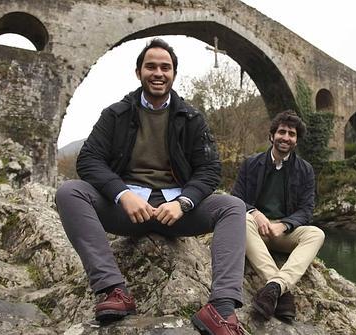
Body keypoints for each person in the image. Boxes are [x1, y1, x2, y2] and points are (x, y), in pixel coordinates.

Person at [56, 38, 247, 335]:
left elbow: (210, 170)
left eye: (165, 67)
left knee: (233, 206)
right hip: (129, 210)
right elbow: (89, 160)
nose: (158, 73)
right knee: (69, 192)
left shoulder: (192, 117)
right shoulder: (115, 114)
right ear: (138, 72)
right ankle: (113, 291)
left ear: (173, 74)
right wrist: (122, 194)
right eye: (151, 66)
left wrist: (183, 202)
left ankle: (221, 308)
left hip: (177, 211)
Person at [231, 111, 325, 323]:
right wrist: (255, 213)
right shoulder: (251, 164)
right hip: (256, 231)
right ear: (272, 135)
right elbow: (236, 199)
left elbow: (306, 210)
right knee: (241, 218)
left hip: (284, 233)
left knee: (316, 234)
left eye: (291, 134)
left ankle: (274, 287)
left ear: (296, 140)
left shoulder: (305, 170)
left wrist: (285, 224)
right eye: (281, 131)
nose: (286, 137)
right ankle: (281, 290)